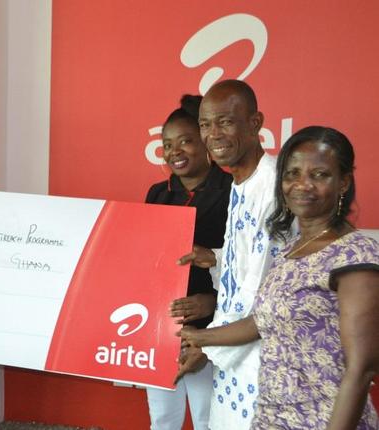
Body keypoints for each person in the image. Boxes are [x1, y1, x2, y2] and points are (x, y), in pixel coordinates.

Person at [180, 126, 379, 429]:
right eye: (292, 173)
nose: (302, 185)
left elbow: (362, 369)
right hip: (271, 418)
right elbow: (261, 322)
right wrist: (197, 337)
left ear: (344, 182)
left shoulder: (355, 255)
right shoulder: (291, 250)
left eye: (320, 175)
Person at [175, 79, 283, 428]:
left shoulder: (274, 185)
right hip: (234, 355)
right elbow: (245, 264)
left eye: (225, 121)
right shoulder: (239, 182)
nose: (213, 134)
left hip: (264, 361)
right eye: (206, 124)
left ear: (255, 123)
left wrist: (204, 343)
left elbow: (260, 290)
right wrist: (214, 258)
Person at [143, 95, 232, 429]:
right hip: (162, 324)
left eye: (185, 142)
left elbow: (247, 267)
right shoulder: (157, 193)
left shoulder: (231, 189)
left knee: (208, 417)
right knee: (162, 416)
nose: (175, 152)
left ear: (205, 141)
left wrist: (211, 302)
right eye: (167, 144)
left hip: (215, 324)